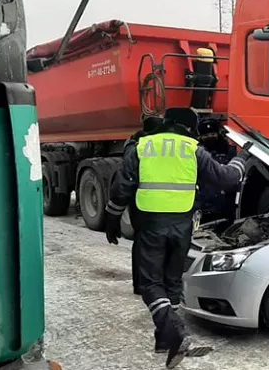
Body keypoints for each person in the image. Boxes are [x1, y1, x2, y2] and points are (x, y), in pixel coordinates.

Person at [103, 107, 251, 369]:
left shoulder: (143, 146)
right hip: (182, 225)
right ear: (191, 127)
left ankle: (176, 334)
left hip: (150, 223)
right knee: (171, 282)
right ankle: (165, 340)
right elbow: (227, 178)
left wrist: (112, 218)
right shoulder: (192, 148)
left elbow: (121, 187)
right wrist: (242, 157)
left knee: (150, 283)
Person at [109, 116, 164, 296]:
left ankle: (141, 285)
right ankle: (159, 286)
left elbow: (122, 187)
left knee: (143, 245)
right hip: (163, 206)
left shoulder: (134, 147)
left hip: (141, 207)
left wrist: (113, 219)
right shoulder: (159, 146)